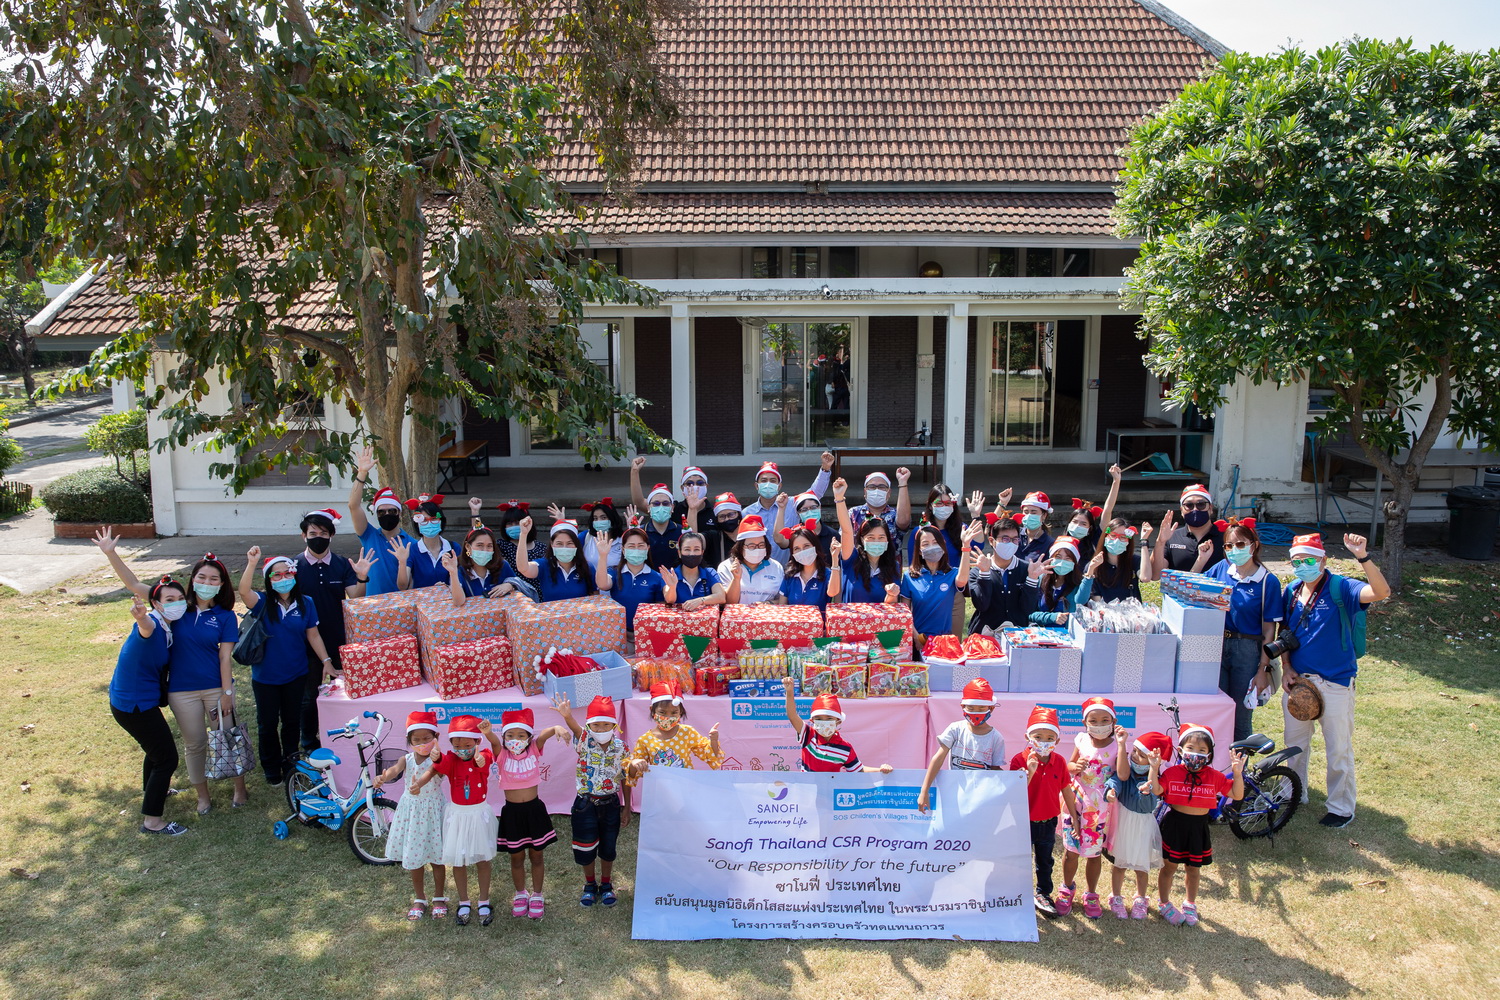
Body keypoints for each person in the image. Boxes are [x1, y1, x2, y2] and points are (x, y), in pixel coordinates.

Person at [93, 531, 246, 815]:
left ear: (222, 583)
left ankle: (240, 788)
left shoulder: (225, 616)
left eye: (214, 579)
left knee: (228, 737)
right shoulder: (175, 606)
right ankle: (203, 796)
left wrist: (226, 693)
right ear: (192, 580)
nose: (207, 583)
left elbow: (225, 657)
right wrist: (110, 553)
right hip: (181, 691)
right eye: (201, 577)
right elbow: (135, 585)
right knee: (195, 744)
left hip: (216, 688)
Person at [1277, 532, 1389, 828]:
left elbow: (1381, 592)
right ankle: (1293, 792)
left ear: (1323, 560)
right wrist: (1286, 667)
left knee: (1338, 748)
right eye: (1297, 561)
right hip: (1299, 683)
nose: (1302, 566)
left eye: (1309, 560)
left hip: (1336, 682)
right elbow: (1284, 634)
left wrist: (1363, 557)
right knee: (1295, 743)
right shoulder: (1291, 591)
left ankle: (1340, 808)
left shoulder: (1342, 587)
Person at [236, 550, 335, 786]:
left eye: (287, 573)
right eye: (276, 575)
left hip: (296, 674)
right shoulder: (262, 603)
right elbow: (243, 591)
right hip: (266, 677)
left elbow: (313, 635)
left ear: (294, 575)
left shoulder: (306, 602)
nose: (283, 579)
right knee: (267, 724)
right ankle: (271, 768)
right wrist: (251, 563)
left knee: (291, 722)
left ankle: (290, 762)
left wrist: (326, 661)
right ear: (269, 580)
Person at [293, 507, 375, 753]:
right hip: (304, 641)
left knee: (341, 693)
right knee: (308, 696)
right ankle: (309, 742)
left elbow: (355, 597)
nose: (318, 537)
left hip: (338, 638)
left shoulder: (341, 564)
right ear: (304, 536)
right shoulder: (293, 566)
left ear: (331, 535)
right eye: (313, 533)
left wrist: (361, 578)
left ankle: (340, 739)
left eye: (323, 533)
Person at [109, 584, 188, 836]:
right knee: (166, 758)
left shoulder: (166, 625)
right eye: (169, 599)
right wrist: (141, 617)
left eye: (180, 598)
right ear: (156, 604)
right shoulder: (152, 624)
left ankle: (155, 791)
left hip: (136, 700)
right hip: (134, 705)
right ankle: (152, 822)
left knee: (155, 750)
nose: (177, 603)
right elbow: (145, 627)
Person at [1150, 723, 1245, 926]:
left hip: (1198, 828)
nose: (1196, 754)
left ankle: (1190, 903)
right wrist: (1154, 768)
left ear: (1209, 754)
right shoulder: (1172, 773)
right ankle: (1164, 903)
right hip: (1175, 825)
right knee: (1169, 867)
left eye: (1202, 750)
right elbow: (1156, 790)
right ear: (1180, 750)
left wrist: (1237, 774)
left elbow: (1236, 794)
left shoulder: (1215, 777)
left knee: (1193, 868)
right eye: (1191, 748)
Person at [410, 714, 499, 927]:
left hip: (478, 815)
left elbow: (489, 755)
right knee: (459, 861)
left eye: (468, 745)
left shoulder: (484, 755)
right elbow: (437, 765)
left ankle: (484, 900)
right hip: (457, 816)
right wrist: (432, 762)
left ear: (477, 741)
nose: (462, 749)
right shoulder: (450, 759)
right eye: (457, 745)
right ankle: (464, 901)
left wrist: (480, 757)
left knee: (483, 860)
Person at [1202, 518, 1285, 741]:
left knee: (1241, 713)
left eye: (1240, 544)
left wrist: (1262, 669)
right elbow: (1192, 588)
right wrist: (1201, 560)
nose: (1234, 550)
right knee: (1216, 709)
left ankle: (1240, 760)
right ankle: (1216, 759)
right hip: (1217, 645)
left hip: (1248, 650)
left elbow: (1269, 630)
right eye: (1229, 546)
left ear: (1253, 545)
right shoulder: (1221, 568)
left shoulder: (1267, 581)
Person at [553, 694, 629, 909]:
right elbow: (575, 728)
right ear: (589, 725)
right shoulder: (584, 741)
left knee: (608, 847)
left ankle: (606, 885)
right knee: (585, 847)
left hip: (611, 804)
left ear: (614, 725)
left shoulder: (622, 747)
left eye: (606, 724)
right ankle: (589, 885)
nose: (601, 729)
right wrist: (567, 717)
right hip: (585, 805)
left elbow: (625, 777)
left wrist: (627, 807)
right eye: (596, 725)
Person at [373, 711, 448, 921]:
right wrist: (382, 777)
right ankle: (419, 898)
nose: (422, 743)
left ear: (436, 737)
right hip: (412, 813)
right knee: (415, 858)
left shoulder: (440, 760)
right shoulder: (405, 759)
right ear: (409, 740)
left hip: (433, 811)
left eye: (427, 738)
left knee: (437, 858)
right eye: (416, 740)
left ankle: (439, 897)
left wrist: (438, 759)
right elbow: (394, 770)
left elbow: (438, 772)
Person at [1055, 697, 1125, 919]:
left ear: (1113, 721)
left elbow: (1123, 775)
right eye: (1093, 721)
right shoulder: (1082, 740)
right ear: (1085, 722)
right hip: (1075, 803)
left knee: (1094, 854)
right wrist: (1075, 766)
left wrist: (1122, 745)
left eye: (1105, 720)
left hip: (1099, 810)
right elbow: (1068, 767)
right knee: (1071, 851)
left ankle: (1091, 894)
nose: (1099, 724)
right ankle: (1067, 888)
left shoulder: (1117, 745)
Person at [1010, 706, 1081, 918]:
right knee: (1020, 860)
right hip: (1023, 821)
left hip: (1048, 821)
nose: (1044, 741)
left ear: (1057, 740)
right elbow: (1013, 793)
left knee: (1045, 860)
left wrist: (1075, 817)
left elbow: (1066, 789)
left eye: (1050, 738)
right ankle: (1018, 895)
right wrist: (1030, 772)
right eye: (1038, 737)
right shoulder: (1019, 760)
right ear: (1028, 737)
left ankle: (1043, 894)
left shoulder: (1059, 761)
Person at [492, 708, 560, 920]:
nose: (516, 740)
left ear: (529, 738)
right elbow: (493, 742)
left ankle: (537, 895)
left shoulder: (533, 750)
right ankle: (521, 893)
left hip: (534, 811)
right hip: (512, 814)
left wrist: (557, 727)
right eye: (510, 735)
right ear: (504, 737)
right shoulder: (501, 754)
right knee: (516, 857)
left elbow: (545, 735)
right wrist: (487, 732)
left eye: (521, 735)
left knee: (537, 856)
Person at [1105, 730, 1170, 920]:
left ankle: (1141, 898)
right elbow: (1116, 779)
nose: (1134, 756)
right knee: (1120, 863)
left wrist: (1146, 790)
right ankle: (1116, 896)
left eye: (1141, 755)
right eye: (1134, 751)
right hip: (1124, 823)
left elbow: (1150, 805)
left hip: (1142, 826)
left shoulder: (1154, 781)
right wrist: (1111, 790)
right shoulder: (1127, 772)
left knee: (1142, 866)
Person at [916, 678, 1006, 813]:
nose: (976, 712)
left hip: (982, 798)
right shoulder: (955, 729)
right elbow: (938, 758)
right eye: (971, 708)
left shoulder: (996, 738)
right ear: (963, 707)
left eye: (981, 708)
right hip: (955, 794)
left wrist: (1018, 777)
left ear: (991, 708)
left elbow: (995, 769)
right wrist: (924, 791)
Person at [347, 446, 415, 595]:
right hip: (373, 605)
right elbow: (353, 506)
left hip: (400, 605)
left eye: (392, 511)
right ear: (376, 514)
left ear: (400, 513)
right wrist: (362, 473)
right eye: (381, 512)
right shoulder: (368, 535)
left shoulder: (411, 544)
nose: (387, 514)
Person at [782, 682, 893, 774]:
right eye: (819, 719)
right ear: (812, 721)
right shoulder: (808, 735)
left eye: (829, 718)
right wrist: (789, 692)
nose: (824, 722)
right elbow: (792, 715)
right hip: (807, 789)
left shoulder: (845, 748)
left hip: (830, 790)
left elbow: (858, 770)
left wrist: (880, 770)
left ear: (838, 721)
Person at [901, 522, 982, 646]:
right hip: (918, 641)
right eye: (925, 544)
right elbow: (905, 614)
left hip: (944, 643)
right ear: (919, 551)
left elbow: (962, 580)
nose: (931, 547)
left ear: (943, 546)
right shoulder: (909, 577)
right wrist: (917, 638)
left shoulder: (952, 574)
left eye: (935, 542)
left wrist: (966, 546)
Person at [625, 682, 722, 783]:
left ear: (681, 712)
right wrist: (634, 763)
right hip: (660, 789)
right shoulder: (645, 740)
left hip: (685, 786)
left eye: (674, 712)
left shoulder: (687, 732)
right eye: (662, 712)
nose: (668, 717)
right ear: (652, 710)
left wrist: (713, 740)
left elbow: (710, 755)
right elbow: (632, 774)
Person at [746, 454, 835, 561]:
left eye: (773, 481)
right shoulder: (746, 513)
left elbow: (814, 493)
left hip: (791, 567)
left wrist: (825, 469)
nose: (768, 484)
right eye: (764, 481)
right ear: (757, 485)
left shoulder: (792, 503)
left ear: (779, 486)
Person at [833, 477, 904, 605]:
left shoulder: (893, 566)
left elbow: (890, 606)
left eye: (881, 537)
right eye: (871, 537)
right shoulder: (852, 559)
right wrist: (839, 498)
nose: (876, 541)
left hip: (880, 618)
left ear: (887, 541)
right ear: (862, 539)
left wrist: (891, 594)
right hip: (851, 618)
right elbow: (847, 531)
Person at [968, 513, 1043, 631]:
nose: (1011, 543)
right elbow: (982, 605)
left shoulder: (1027, 569)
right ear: (992, 541)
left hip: (1017, 633)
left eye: (1015, 539)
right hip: (985, 633)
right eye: (1005, 539)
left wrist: (1032, 579)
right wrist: (984, 574)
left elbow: (1028, 610)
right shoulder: (978, 571)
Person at [596, 525, 666, 636]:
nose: (636, 550)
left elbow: (660, 608)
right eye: (631, 546)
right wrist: (603, 555)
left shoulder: (656, 577)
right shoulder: (614, 572)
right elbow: (603, 585)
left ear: (647, 548)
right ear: (623, 550)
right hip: (618, 633)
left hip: (646, 634)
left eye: (640, 546)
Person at [515, 516, 596, 601]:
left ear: (576, 545)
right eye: (559, 543)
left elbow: (595, 597)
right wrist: (523, 535)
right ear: (552, 544)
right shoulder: (544, 565)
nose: (564, 547)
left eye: (569, 543)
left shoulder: (587, 567)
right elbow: (523, 568)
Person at [1152, 483, 1225, 575]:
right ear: (1181, 510)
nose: (1195, 509)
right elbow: (1155, 575)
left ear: (1210, 508)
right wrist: (1160, 542)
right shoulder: (1172, 537)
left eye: (1201, 504)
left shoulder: (1225, 537)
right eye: (1189, 505)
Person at [445, 526, 528, 606]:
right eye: (479, 545)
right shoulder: (460, 570)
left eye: (489, 546)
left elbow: (517, 583)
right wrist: (453, 573)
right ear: (468, 547)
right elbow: (458, 602)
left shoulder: (502, 565)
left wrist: (510, 585)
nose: (485, 550)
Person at [719, 515, 785, 604]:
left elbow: (783, 600)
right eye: (751, 546)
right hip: (737, 613)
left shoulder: (776, 567)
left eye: (761, 545)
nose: (757, 549)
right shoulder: (726, 567)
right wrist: (736, 579)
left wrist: (769, 603)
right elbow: (728, 603)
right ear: (740, 547)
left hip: (766, 612)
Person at [1027, 537, 1091, 626]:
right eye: (1058, 557)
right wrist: (1051, 617)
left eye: (1067, 558)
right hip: (1041, 632)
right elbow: (1030, 613)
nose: (1062, 562)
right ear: (1051, 559)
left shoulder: (1079, 583)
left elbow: (1081, 601)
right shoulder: (1041, 579)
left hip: (1068, 633)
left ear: (1074, 562)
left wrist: (1090, 573)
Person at [396, 493, 453, 590]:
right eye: (424, 520)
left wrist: (448, 587)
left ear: (441, 521)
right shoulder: (412, 551)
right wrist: (402, 562)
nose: (429, 523)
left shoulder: (453, 548)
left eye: (434, 519)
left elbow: (461, 582)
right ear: (417, 524)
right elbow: (402, 586)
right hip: (420, 599)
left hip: (449, 599)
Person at [776, 522, 840, 609]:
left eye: (806, 546)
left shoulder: (827, 574)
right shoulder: (789, 576)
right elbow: (782, 608)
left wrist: (835, 559)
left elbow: (833, 593)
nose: (802, 551)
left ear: (815, 547)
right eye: (797, 548)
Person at [846, 469, 913, 552]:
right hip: (859, 560)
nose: (876, 490)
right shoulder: (853, 513)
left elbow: (903, 522)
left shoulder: (895, 514)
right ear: (865, 491)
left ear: (889, 492)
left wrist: (903, 483)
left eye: (882, 487)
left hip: (890, 560)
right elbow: (844, 538)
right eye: (872, 487)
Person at [1087, 519, 1151, 604]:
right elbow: (1096, 600)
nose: (1117, 540)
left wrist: (1144, 542)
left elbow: (1145, 578)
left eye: (1123, 537)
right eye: (1113, 535)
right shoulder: (1094, 565)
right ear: (1105, 537)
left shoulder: (1134, 560)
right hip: (1106, 610)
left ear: (1128, 541)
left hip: (1132, 610)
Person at [660, 531, 727, 610]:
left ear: (702, 552)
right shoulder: (670, 574)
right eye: (687, 549)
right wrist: (672, 587)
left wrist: (700, 600)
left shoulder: (710, 572)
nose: (692, 554)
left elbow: (721, 597)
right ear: (679, 553)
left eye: (696, 549)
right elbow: (669, 600)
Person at [487, 499, 549, 572]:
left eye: (517, 523)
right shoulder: (501, 546)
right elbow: (479, 535)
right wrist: (476, 514)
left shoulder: (541, 548)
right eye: (509, 524)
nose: (513, 526)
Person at [637, 482, 685, 569]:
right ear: (648, 508)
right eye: (656, 504)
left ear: (672, 507)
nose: (661, 507)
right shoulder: (640, 532)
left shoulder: (682, 531)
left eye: (665, 503)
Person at [581, 497, 625, 573]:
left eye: (603, 517)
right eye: (595, 518)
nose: (599, 521)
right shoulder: (586, 537)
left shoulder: (622, 540)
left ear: (612, 518)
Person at [1016, 490, 1055, 563]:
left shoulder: (1049, 544)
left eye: (1033, 512)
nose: (1029, 516)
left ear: (1044, 515)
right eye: (1026, 512)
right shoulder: (1014, 534)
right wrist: (1002, 503)